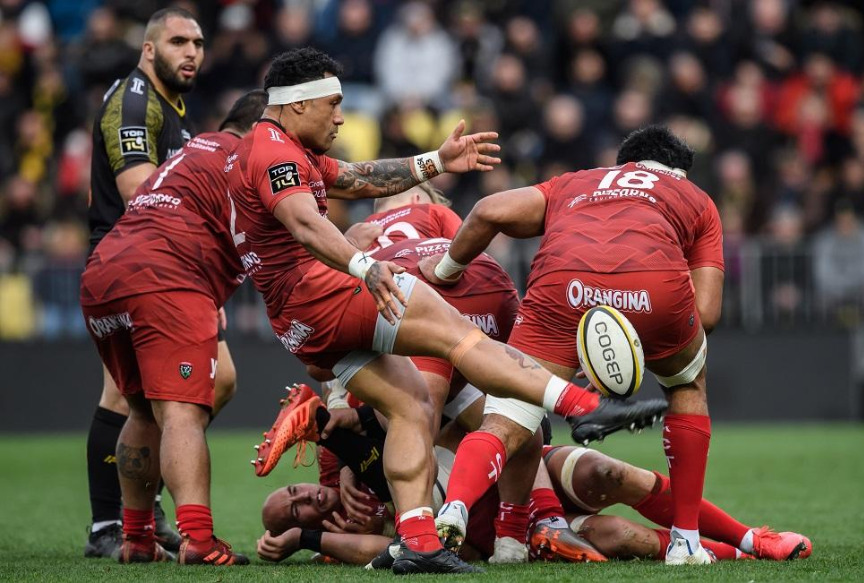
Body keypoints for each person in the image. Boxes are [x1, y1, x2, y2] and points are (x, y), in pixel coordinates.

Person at [227, 47, 653, 574]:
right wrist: (365, 265)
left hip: (298, 320)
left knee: (411, 408)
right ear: (297, 104)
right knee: (463, 339)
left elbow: (359, 177)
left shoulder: (278, 149)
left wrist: (436, 161)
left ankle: (417, 541)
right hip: (326, 293)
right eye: (333, 104)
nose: (340, 117)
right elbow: (304, 222)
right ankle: (586, 409)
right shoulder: (275, 152)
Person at [421, 125, 726, 565]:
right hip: (654, 289)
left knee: (507, 414)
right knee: (687, 384)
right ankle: (686, 541)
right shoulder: (694, 197)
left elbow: (488, 211)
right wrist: (630, 341)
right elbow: (708, 313)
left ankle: (455, 507)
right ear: (678, 171)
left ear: (623, 162)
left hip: (562, 288)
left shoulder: (577, 181)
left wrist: (447, 269)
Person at [255, 390, 811, 565]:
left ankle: (750, 536)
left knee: (608, 471)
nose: (306, 499)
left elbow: (332, 411)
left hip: (522, 467)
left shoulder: (347, 460)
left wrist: (328, 427)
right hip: (492, 526)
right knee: (619, 537)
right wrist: (309, 538)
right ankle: (736, 555)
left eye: (294, 491)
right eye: (296, 511)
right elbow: (389, 550)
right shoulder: (346, 536)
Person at [80, 90, 268, 565]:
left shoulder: (192, 151)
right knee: (183, 411)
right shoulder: (252, 155)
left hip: (104, 272)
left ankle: (137, 537)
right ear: (261, 128)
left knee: (142, 410)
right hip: (165, 276)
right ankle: (199, 540)